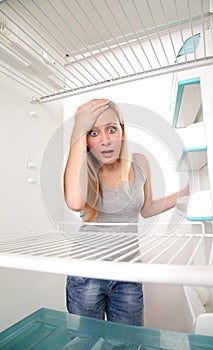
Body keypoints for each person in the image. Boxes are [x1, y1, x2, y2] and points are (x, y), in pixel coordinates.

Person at [64, 98, 188, 326]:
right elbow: (74, 201)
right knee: (86, 343)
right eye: (93, 133)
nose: (105, 141)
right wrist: (77, 128)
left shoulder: (139, 163)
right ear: (86, 140)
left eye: (111, 129)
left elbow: (147, 208)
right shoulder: (85, 168)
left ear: (122, 131)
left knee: (128, 343)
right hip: (86, 274)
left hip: (128, 274)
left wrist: (186, 193)